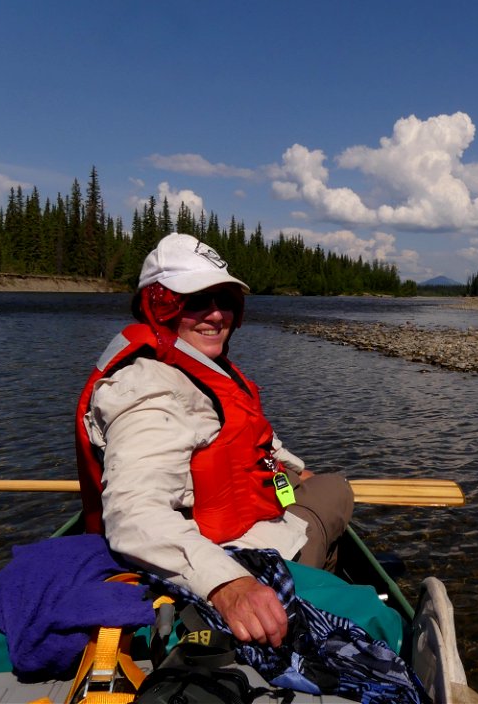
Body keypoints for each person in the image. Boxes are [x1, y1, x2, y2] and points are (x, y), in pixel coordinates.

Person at [75, 233, 354, 648]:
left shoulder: (202, 368)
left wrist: (293, 468)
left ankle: (316, 571)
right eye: (195, 301)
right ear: (158, 305)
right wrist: (228, 584)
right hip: (225, 552)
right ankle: (320, 583)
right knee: (336, 490)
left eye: (225, 301)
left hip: (238, 520)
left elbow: (258, 438)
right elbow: (135, 516)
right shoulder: (150, 391)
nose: (216, 315)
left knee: (312, 483)